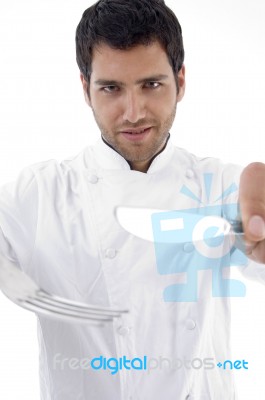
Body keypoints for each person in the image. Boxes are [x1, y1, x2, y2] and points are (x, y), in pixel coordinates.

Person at [0, 0, 265, 399]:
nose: (134, 112)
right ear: (85, 90)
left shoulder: (220, 186)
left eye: (151, 85)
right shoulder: (37, 196)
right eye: (111, 88)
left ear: (181, 81)